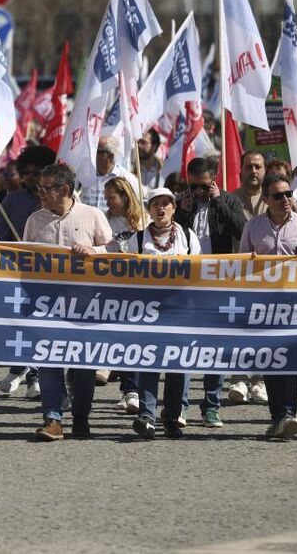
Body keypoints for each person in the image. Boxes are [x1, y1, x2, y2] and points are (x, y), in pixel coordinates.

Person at [0, 162, 112, 441]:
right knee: (48, 360)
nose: (39, 193)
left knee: (83, 364)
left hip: (84, 305)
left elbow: (114, 251)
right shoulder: (34, 220)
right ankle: (53, 418)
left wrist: (93, 250)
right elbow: (24, 258)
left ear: (64, 190)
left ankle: (81, 417)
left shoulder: (93, 216)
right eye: (39, 188)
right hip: (45, 305)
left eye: (45, 189)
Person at [239, 173, 297, 439]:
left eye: (288, 194)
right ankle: (278, 418)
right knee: (270, 362)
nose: (286, 199)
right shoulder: (252, 227)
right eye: (278, 195)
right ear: (266, 199)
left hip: (295, 305)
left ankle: (288, 413)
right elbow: (240, 265)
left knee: (290, 360)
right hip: (264, 306)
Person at [174, 157, 247, 427]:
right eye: (193, 187)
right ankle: (179, 406)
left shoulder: (228, 201)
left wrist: (217, 203)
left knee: (216, 348)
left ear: (214, 181)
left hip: (218, 282)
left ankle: (211, 405)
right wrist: (182, 212)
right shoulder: (180, 202)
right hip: (187, 283)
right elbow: (171, 236)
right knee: (183, 346)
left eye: (204, 187)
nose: (198, 192)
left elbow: (242, 230)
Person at [124, 187, 198, 439]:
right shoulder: (138, 239)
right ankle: (147, 415)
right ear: (149, 209)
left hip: (180, 312)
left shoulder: (187, 236)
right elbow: (126, 272)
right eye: (155, 204)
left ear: (174, 208)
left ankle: (172, 417)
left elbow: (200, 270)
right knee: (149, 363)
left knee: (176, 365)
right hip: (148, 312)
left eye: (166, 203)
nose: (161, 208)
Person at [0, 145, 56, 398]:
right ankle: (22, 369)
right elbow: (1, 236)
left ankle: (32, 375)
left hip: (52, 272)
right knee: (23, 324)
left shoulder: (57, 200)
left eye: (36, 172)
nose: (30, 176)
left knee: (42, 326)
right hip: (21, 272)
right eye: (26, 172)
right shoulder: (12, 200)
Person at [227, 150, 269, 404]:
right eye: (249, 166)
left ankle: (260, 380)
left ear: (265, 170)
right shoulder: (230, 199)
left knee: (263, 329)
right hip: (238, 275)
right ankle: (239, 378)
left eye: (258, 166)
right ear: (241, 170)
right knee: (239, 329)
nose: (253, 171)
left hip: (269, 277)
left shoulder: (275, 198)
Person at [102, 176, 146, 414]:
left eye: (112, 198)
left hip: (137, 286)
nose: (108, 202)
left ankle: (133, 390)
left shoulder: (143, 220)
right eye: (106, 198)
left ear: (125, 196)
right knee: (119, 339)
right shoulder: (104, 219)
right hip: (112, 285)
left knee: (134, 339)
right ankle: (127, 388)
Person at [81, 135, 140, 210]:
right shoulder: (82, 173)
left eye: (98, 151)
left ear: (110, 156)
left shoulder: (127, 178)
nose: (93, 154)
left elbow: (137, 204)